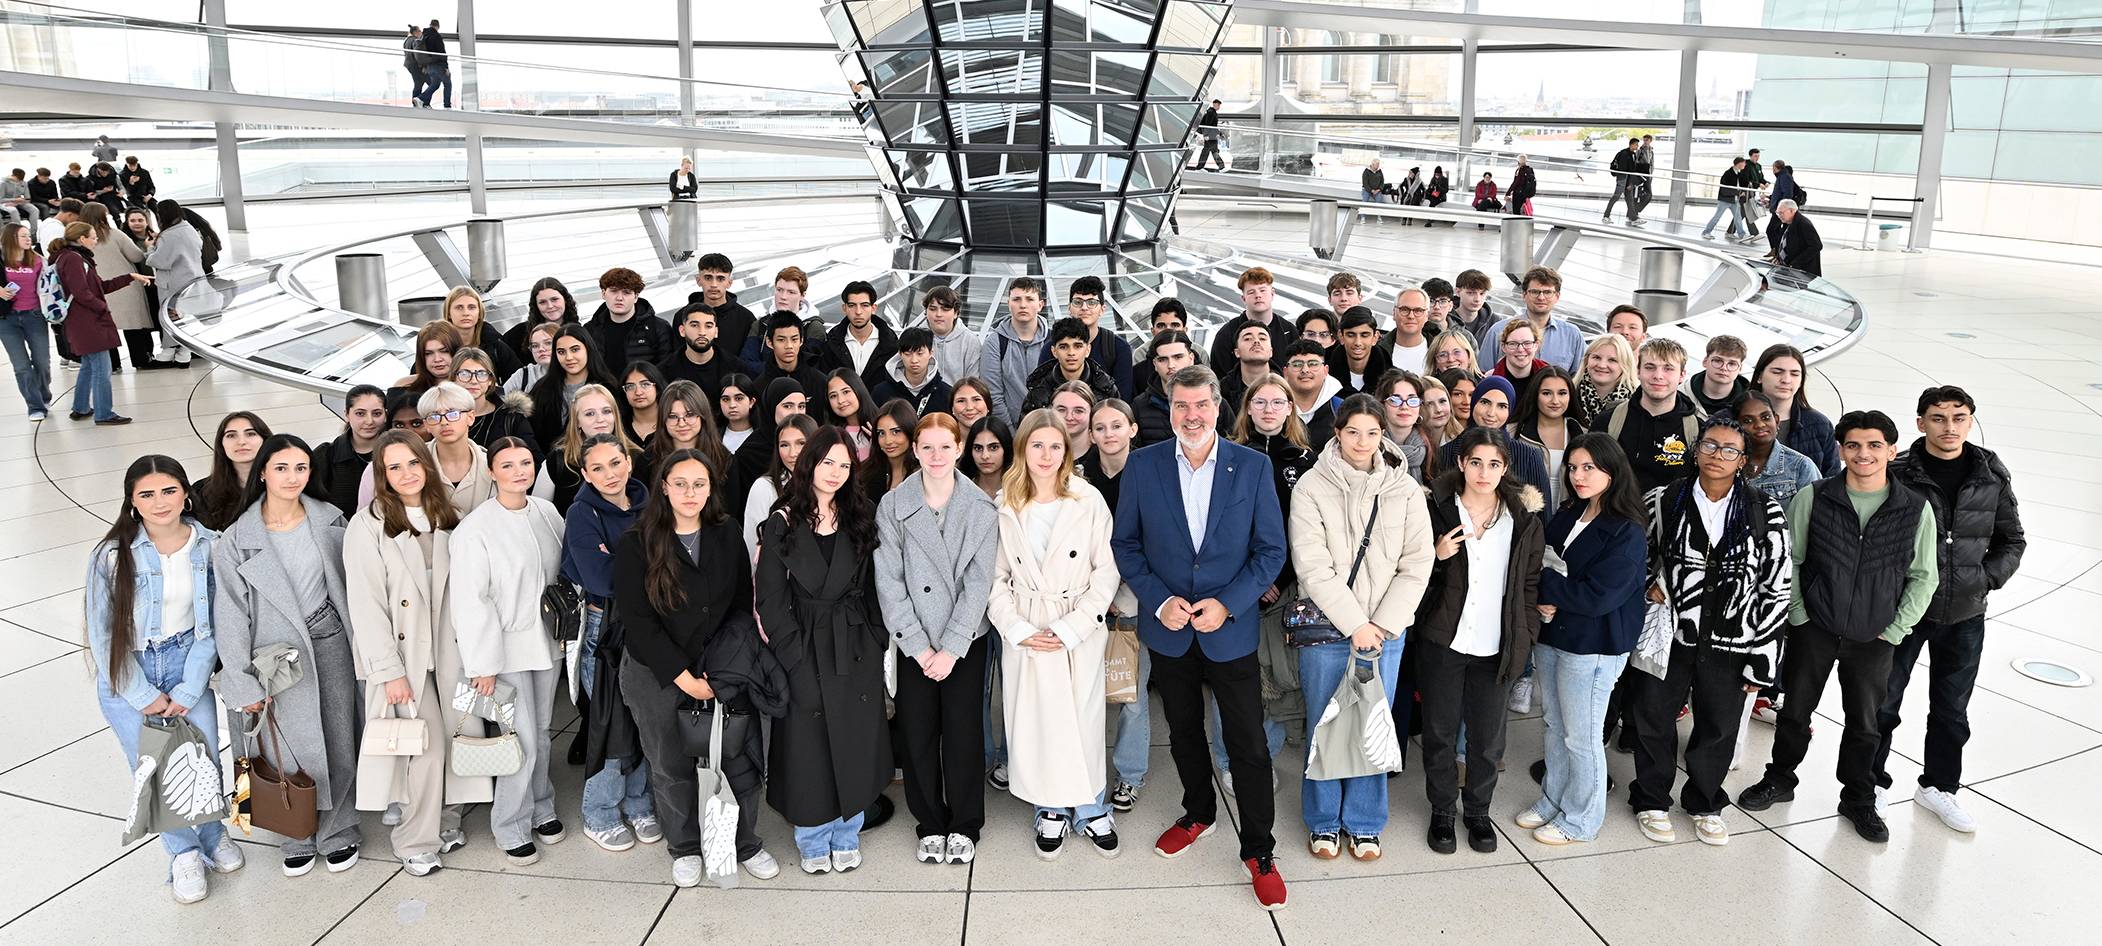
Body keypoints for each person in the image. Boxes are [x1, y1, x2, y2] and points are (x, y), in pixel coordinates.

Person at [1109, 365, 1289, 911]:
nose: (1191, 415)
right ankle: (1199, 814)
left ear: (1218, 407)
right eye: (1181, 406)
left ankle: (1259, 849)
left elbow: (1270, 553)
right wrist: (1160, 601)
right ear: (1170, 410)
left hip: (1228, 630)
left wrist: (1228, 603)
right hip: (1168, 630)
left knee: (1248, 745)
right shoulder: (1142, 467)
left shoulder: (1253, 467)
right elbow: (1127, 545)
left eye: (1201, 406)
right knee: (1183, 732)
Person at [1739, 410, 1940, 844]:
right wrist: (1799, 615)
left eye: (1873, 446)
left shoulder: (1914, 509)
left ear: (1891, 450)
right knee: (1794, 711)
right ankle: (1780, 779)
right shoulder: (1814, 496)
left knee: (1866, 723)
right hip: (1816, 627)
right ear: (1840, 449)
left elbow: (1924, 576)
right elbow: (1789, 559)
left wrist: (1896, 629)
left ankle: (1857, 797)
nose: (1862, 454)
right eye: (1852, 445)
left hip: (1876, 635)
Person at [614, 449, 782, 885]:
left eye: (700, 484)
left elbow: (742, 603)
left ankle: (743, 843)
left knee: (738, 760)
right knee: (670, 764)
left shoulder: (725, 534)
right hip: (658, 672)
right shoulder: (637, 542)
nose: (691, 492)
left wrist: (721, 670)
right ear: (664, 486)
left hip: (722, 667)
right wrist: (684, 677)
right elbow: (638, 621)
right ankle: (686, 845)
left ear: (712, 488)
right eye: (681, 483)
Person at [86, 455, 244, 902]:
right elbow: (101, 633)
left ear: (186, 493)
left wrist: (190, 686)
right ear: (132, 502)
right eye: (147, 495)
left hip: (185, 661)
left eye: (169, 491)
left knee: (203, 759)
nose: (160, 503)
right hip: (129, 669)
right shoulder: (111, 554)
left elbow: (214, 623)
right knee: (157, 769)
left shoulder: (210, 545)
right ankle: (183, 853)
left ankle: (213, 837)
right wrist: (141, 694)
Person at [1289, 394, 1434, 860]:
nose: (1362, 441)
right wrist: (1355, 624)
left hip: (1385, 634)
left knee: (1374, 722)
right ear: (1337, 432)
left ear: (1383, 435)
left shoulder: (1406, 490)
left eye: (1372, 433)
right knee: (1325, 724)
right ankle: (1324, 820)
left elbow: (1417, 562)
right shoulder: (1311, 486)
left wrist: (1383, 624)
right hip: (1331, 632)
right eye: (1353, 431)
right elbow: (1312, 566)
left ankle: (1366, 821)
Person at [212, 434, 364, 876]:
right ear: (262, 472)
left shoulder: (330, 519)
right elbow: (231, 613)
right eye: (281, 468)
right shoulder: (237, 539)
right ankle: (293, 830)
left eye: (301, 468)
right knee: (281, 748)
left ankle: (339, 827)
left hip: (330, 638)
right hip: (272, 658)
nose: (292, 477)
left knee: (339, 734)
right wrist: (241, 680)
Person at [1875, 386, 2024, 834]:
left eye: (1959, 417)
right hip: (1904, 610)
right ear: (1920, 423)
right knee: (1883, 702)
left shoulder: (1990, 472)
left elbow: (2011, 539)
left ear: (1971, 420)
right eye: (1938, 418)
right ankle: (1871, 783)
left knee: (1952, 709)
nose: (1949, 427)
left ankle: (1939, 787)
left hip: (1964, 612)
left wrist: (1984, 580)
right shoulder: (1899, 471)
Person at [344, 431, 490, 876]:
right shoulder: (367, 526)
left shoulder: (452, 515)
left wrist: (483, 658)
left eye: (412, 463)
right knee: (422, 750)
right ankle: (414, 838)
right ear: (382, 475)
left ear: (426, 464)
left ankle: (446, 820)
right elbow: (365, 606)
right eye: (394, 467)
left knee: (459, 740)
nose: (405, 474)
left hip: (453, 654)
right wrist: (387, 670)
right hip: (405, 661)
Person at [981, 408, 1125, 858]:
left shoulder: (1088, 500)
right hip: (1027, 623)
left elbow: (1107, 572)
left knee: (1082, 720)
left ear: (1068, 450)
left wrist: (1072, 628)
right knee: (1035, 722)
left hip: (1076, 625)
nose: (1046, 454)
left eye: (1055, 446)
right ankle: (1050, 808)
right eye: (1037, 445)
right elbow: (993, 577)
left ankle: (1090, 805)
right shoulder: (1006, 503)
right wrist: (1018, 629)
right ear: (1023, 448)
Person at [756, 427, 893, 874]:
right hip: (804, 641)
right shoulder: (782, 521)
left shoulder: (861, 514)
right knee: (807, 743)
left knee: (855, 737)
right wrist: (792, 656)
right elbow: (770, 599)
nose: (834, 473)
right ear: (808, 463)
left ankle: (847, 831)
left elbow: (876, 587)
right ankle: (813, 834)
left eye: (844, 464)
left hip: (855, 643)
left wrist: (875, 637)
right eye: (826, 462)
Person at [874, 412, 1000, 865]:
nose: (936, 456)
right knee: (918, 733)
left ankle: (966, 823)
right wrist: (920, 646)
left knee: (964, 734)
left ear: (960, 448)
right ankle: (929, 821)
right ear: (915, 450)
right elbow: (889, 581)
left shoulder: (981, 508)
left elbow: (979, 583)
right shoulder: (893, 505)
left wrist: (950, 647)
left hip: (964, 641)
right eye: (926, 447)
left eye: (945, 446)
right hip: (915, 643)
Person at [1414, 427, 1544, 855]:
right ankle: (1443, 811)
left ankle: (1478, 811)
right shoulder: (1436, 510)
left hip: (1497, 646)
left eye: (1493, 464)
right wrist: (1436, 557)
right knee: (1439, 732)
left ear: (1505, 468)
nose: (1483, 472)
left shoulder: (1522, 520)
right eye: (1475, 462)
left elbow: (1528, 586)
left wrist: (1525, 638)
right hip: (1444, 641)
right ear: (1461, 464)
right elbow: (1412, 579)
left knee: (1488, 739)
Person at [445, 438, 569, 864]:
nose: (519, 471)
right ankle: (510, 822)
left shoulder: (547, 513)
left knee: (544, 731)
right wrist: (482, 664)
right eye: (507, 464)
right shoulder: (475, 529)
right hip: (503, 653)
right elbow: (470, 600)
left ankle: (542, 804)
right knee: (518, 741)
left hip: (547, 642)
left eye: (525, 462)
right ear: (491, 472)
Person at [1518, 433, 1646, 846]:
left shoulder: (1626, 530)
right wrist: (1544, 596)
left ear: (1612, 470)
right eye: (1573, 467)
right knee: (1554, 725)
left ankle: (1582, 818)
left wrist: (1550, 592)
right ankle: (1553, 799)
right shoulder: (1570, 511)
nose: (1578, 475)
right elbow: (1539, 562)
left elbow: (1599, 595)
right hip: (1554, 634)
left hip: (1593, 645)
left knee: (1582, 734)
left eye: (1589, 467)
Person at [562, 432, 660, 851]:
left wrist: (622, 558)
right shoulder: (582, 513)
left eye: (615, 463)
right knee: (609, 720)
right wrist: (645, 566)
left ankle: (639, 804)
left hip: (649, 623)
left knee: (642, 719)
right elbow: (600, 577)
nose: (609, 474)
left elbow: (668, 559)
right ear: (585, 473)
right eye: (597, 468)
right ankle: (599, 811)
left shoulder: (648, 502)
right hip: (604, 626)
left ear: (629, 463)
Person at [49, 221, 148, 425]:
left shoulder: (72, 257)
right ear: (81, 238)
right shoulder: (74, 259)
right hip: (88, 322)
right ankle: (104, 413)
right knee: (102, 369)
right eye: (93, 237)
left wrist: (129, 277)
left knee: (88, 365)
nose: (95, 240)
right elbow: (82, 293)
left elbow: (99, 286)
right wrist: (101, 308)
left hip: (82, 320)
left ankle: (81, 407)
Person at [357, 383, 497, 514]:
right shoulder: (397, 463)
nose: (444, 422)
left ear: (471, 417)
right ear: (427, 424)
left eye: (453, 413)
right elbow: (370, 518)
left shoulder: (495, 465)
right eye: (434, 416)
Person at [1592, 338, 1703, 493]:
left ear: (1682, 375)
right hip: (1613, 514)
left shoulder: (1697, 430)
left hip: (1669, 515)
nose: (1658, 376)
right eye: (1650, 367)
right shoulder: (1608, 421)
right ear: (1638, 371)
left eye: (1668, 368)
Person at [1439, 375, 1553, 502]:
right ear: (1474, 402)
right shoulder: (1445, 454)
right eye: (1485, 402)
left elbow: (1543, 516)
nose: (1491, 413)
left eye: (1502, 406)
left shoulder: (1529, 456)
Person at [527, 325, 622, 462]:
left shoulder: (608, 387)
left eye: (575, 349)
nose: (568, 357)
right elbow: (533, 434)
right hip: (556, 466)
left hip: (604, 461)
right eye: (561, 352)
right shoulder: (543, 389)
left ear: (588, 349)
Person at [78, 203, 153, 372]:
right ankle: (141, 359)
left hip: (97, 286)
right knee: (133, 324)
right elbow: (136, 256)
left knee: (106, 326)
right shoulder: (114, 234)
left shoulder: (78, 238)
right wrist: (147, 247)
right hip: (124, 284)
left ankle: (112, 364)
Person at [1751, 343, 1840, 475]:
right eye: (1777, 372)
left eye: (1794, 374)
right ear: (1759, 376)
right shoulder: (1729, 418)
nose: (1786, 380)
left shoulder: (1819, 424)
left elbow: (1832, 479)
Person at [742, 415, 818, 561]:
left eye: (801, 443)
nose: (792, 453)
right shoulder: (764, 487)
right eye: (784, 445)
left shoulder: (829, 484)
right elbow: (752, 544)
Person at [1479, 267, 1582, 374]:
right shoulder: (1498, 331)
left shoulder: (1572, 335)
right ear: (1524, 295)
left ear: (1557, 296)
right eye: (1535, 292)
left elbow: (1578, 379)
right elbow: (1483, 375)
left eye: (1547, 292)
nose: (1541, 297)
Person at [0, 223, 52, 420]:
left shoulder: (37, 260)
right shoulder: (1, 259)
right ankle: (35, 406)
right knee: (21, 365)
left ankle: (43, 394)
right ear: (10, 238)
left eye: (28, 235)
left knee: (42, 362)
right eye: (23, 236)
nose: (28, 239)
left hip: (34, 316)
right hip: (7, 319)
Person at [145, 199, 205, 365]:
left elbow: (160, 260)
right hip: (192, 278)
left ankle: (170, 352)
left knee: (171, 317)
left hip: (172, 283)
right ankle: (184, 351)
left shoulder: (169, 235)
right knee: (185, 316)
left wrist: (149, 248)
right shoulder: (188, 229)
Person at [1055, 275, 1135, 398]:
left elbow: (1123, 401)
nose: (1084, 307)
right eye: (1078, 302)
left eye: (1092, 302)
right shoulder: (1053, 346)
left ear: (1102, 309)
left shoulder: (1118, 348)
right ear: (1069, 308)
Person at [985, 277, 1051, 424]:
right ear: (1009, 304)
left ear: (1040, 305)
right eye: (1016, 299)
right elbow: (993, 395)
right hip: (1009, 431)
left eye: (1029, 299)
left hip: (1048, 427)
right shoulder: (994, 342)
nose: (1023, 305)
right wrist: (1010, 434)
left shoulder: (1053, 341)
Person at [314, 385, 388, 517]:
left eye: (377, 413)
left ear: (385, 415)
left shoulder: (398, 452)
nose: (369, 421)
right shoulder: (325, 456)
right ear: (347, 414)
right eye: (360, 413)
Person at [1516, 366, 1584, 509]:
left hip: (1569, 517)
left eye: (1562, 393)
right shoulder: (1514, 432)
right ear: (1535, 395)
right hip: (1526, 520)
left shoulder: (1583, 434)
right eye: (1547, 393)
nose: (1555, 401)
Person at [1735, 390, 1819, 504]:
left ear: (1777, 420)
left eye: (1765, 417)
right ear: (1736, 425)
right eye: (1748, 420)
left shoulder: (1801, 466)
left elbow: (1815, 514)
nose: (1759, 425)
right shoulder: (1726, 461)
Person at [1022, 316, 1119, 413]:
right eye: (1063, 347)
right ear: (1054, 351)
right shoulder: (1038, 391)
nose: (1071, 352)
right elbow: (1027, 426)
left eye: (1078, 346)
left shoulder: (1106, 388)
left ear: (1088, 350)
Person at [1208, 267, 1295, 373]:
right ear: (1243, 299)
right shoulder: (1227, 334)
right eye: (1251, 292)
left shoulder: (1289, 331)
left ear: (1272, 294)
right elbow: (1219, 375)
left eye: (1262, 290)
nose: (1258, 295)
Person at [588, 267, 674, 373]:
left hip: (643, 388)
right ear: (603, 293)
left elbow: (667, 367)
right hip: (603, 389)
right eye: (614, 291)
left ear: (636, 297)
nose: (619, 298)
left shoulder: (658, 328)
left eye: (626, 292)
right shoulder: (590, 330)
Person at [194, 412, 272, 530]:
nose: (241, 442)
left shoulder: (288, 486)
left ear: (265, 440)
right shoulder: (201, 492)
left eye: (250, 434)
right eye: (231, 435)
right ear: (222, 444)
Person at [648, 379, 731, 487]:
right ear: (663, 420)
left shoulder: (724, 459)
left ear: (703, 416)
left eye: (689, 415)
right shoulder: (648, 460)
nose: (681, 424)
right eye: (672, 416)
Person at [452, 348, 534, 451]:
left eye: (481, 374)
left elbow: (534, 459)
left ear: (490, 380)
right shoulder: (443, 417)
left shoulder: (511, 418)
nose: (473, 381)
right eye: (465, 374)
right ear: (453, 378)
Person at [823, 280, 899, 392]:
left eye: (864, 305)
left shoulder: (891, 344)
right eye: (852, 305)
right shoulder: (831, 343)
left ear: (873, 308)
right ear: (844, 308)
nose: (858, 312)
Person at [439, 287, 521, 384]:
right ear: (449, 313)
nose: (466, 313)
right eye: (459, 307)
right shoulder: (436, 346)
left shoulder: (496, 346)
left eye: (471, 307)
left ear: (479, 313)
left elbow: (519, 381)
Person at [873, 326, 953, 417]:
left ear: (931, 353)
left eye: (920, 354)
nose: (914, 360)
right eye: (908, 354)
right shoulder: (881, 392)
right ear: (900, 354)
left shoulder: (946, 393)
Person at [503, 277, 580, 367]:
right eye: (542, 302)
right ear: (536, 306)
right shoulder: (518, 334)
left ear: (565, 300)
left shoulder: (580, 332)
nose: (550, 306)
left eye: (554, 299)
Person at [1373, 370, 1432, 483]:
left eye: (1412, 400)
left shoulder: (1430, 448)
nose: (1404, 406)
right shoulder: (1369, 446)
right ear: (1382, 404)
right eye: (1395, 400)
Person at [919, 285, 982, 386]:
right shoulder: (914, 337)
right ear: (926, 312)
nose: (938, 314)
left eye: (945, 309)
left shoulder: (970, 341)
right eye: (933, 309)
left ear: (956, 313)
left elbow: (973, 384)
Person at [1282, 340, 1339, 452]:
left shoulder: (1341, 409)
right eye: (1297, 364)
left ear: (1325, 370)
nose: (1305, 370)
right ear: (1285, 372)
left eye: (1313, 364)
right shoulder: (1272, 407)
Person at [756, 311, 827, 395]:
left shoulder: (820, 381)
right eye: (781, 340)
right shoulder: (759, 387)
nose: (789, 346)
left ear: (801, 340)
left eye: (794, 339)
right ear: (769, 342)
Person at [1329, 306, 1391, 399]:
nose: (1358, 342)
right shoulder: (1324, 375)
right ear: (1341, 336)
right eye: (1351, 335)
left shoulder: (1392, 380)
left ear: (1375, 337)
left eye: (1364, 335)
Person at [865, 398, 921, 499]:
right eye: (881, 433)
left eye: (896, 432)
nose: (888, 441)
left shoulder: (924, 475)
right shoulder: (867, 474)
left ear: (910, 430)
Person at [1576, 333, 1637, 422]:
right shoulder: (1567, 394)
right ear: (1586, 360)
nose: (1602, 365)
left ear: (1626, 365)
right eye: (1596, 357)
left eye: (1612, 360)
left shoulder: (1638, 402)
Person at [392, 320, 461, 395]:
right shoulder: (403, 386)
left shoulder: (472, 386)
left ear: (456, 351)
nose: (437, 359)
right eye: (428, 353)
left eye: (444, 351)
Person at [823, 368, 879, 460]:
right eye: (833, 396)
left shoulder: (881, 426)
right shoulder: (829, 435)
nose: (840, 400)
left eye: (846, 392)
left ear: (859, 390)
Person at [1381, 291, 1432, 382]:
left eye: (1418, 310)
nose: (1411, 316)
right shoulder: (1378, 351)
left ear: (1427, 315)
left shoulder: (1439, 349)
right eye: (1404, 309)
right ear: (1393, 313)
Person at [1765, 199, 1824, 277]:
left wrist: (1795, 264)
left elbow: (1816, 246)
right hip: (1789, 269)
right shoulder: (1788, 222)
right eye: (1777, 213)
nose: (1779, 216)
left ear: (1792, 211)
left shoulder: (1804, 224)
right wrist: (1779, 258)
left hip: (1802, 272)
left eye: (1781, 213)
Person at [1700, 157, 1752, 241]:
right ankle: (1706, 232)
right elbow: (1726, 188)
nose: (1745, 165)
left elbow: (1738, 185)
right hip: (1725, 199)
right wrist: (1739, 193)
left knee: (1738, 217)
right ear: (1739, 164)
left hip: (1734, 199)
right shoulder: (1728, 173)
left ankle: (1742, 234)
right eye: (1744, 163)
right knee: (1717, 216)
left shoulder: (1738, 173)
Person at [621, 362, 667, 443]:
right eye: (630, 386)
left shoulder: (670, 422)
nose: (638, 392)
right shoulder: (620, 426)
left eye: (645, 384)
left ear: (657, 388)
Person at [1450, 269, 1497, 345]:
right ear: (1458, 292)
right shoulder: (1446, 320)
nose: (1477, 299)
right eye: (1471, 293)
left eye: (1482, 293)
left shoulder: (1494, 322)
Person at [1604, 137, 1644, 225]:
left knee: (1629, 199)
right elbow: (1625, 170)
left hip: (1626, 179)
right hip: (1623, 179)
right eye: (1636, 145)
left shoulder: (1630, 154)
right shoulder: (1625, 154)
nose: (1637, 147)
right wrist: (1629, 183)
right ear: (1632, 144)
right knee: (1616, 197)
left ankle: (1633, 218)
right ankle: (1606, 216)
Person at [419, 19, 452, 108]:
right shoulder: (436, 36)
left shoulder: (423, 36)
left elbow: (422, 52)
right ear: (437, 26)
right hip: (439, 64)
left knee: (435, 84)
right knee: (448, 83)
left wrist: (424, 66)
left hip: (429, 66)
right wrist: (446, 67)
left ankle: (420, 99)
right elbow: (442, 53)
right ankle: (447, 106)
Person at [1188, 98, 1225, 171]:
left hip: (1211, 135)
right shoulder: (1211, 113)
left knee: (1207, 151)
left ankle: (1200, 166)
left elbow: (1212, 125)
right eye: (1218, 105)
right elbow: (1208, 125)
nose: (1219, 107)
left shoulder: (1212, 112)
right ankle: (1220, 165)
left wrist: (1219, 133)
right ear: (1215, 104)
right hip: (1211, 135)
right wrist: (1206, 135)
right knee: (1212, 151)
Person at [1740, 148, 1768, 239]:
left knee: (1742, 213)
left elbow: (1760, 178)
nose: (1757, 158)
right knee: (1748, 211)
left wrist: (1765, 182)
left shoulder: (1758, 166)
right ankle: (1754, 233)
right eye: (1755, 156)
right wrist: (1758, 184)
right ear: (1750, 156)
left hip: (1752, 192)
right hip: (1745, 192)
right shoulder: (1746, 165)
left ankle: (1730, 231)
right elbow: (1745, 180)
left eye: (1758, 156)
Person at [401, 24, 429, 106]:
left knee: (418, 84)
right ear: (416, 32)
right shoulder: (415, 40)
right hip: (417, 66)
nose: (421, 33)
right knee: (433, 83)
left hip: (410, 66)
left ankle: (416, 103)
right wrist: (423, 66)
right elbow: (418, 55)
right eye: (420, 31)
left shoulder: (406, 41)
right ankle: (423, 101)